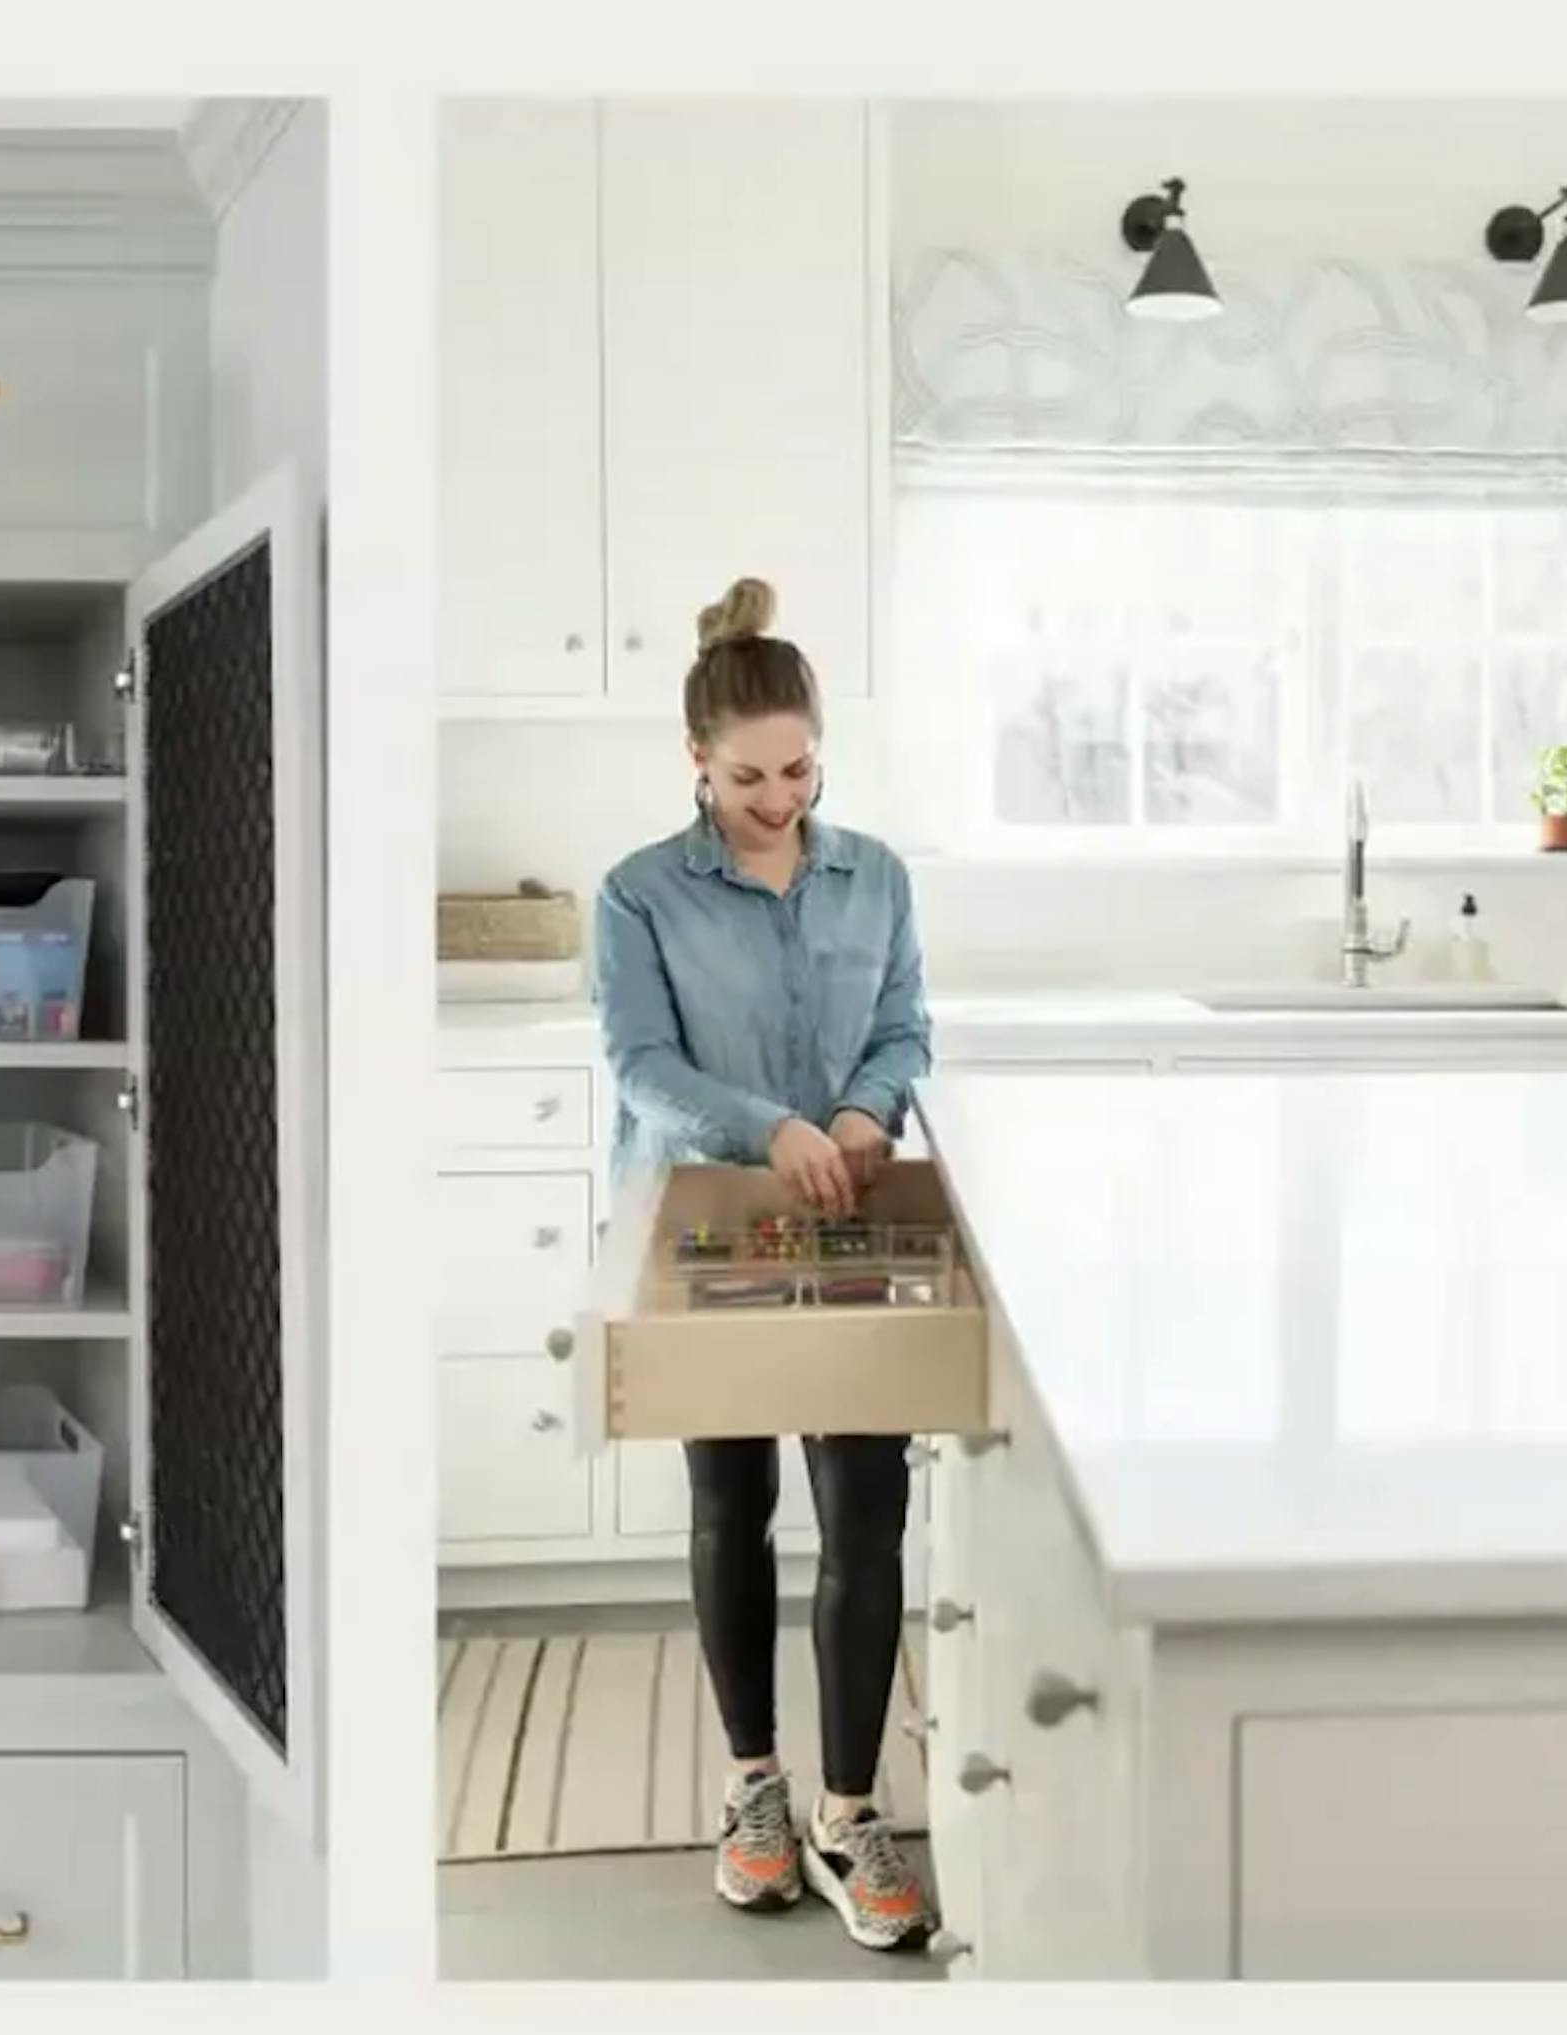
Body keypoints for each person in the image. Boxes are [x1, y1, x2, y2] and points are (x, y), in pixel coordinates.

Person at [590, 575, 937, 1954]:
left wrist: (860, 1114)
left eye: (799, 769)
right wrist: (773, 1125)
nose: (779, 796)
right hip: (705, 1220)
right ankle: (754, 1793)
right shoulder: (636, 895)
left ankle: (853, 1813)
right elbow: (641, 1065)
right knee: (731, 1507)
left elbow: (906, 1025)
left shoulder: (880, 875)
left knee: (865, 1512)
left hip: (852, 1209)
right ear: (695, 762)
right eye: (748, 775)